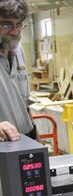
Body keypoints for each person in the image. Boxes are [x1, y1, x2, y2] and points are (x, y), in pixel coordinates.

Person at [0, 0, 36, 142]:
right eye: (6, 25)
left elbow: (24, 104)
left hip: (25, 139)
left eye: (19, 24)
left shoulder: (17, 49)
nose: (15, 31)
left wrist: (36, 138)